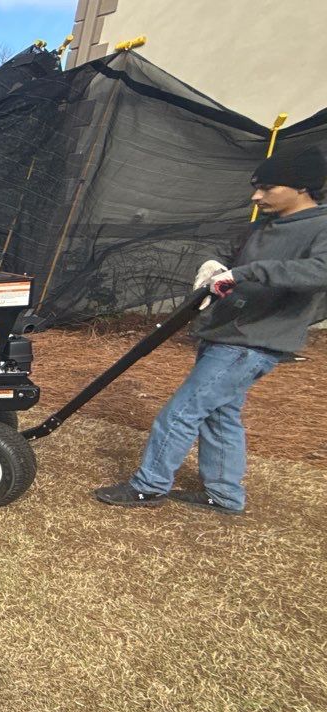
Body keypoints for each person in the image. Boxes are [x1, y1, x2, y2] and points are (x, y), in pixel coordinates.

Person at [94, 147, 327, 515]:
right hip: (227, 333)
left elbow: (318, 272)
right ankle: (224, 494)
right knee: (221, 416)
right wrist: (217, 266)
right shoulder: (264, 225)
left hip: (252, 341)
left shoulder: (320, 226)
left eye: (266, 188)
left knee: (182, 411)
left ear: (301, 187)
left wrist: (246, 273)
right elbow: (235, 260)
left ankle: (149, 486)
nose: (256, 196)